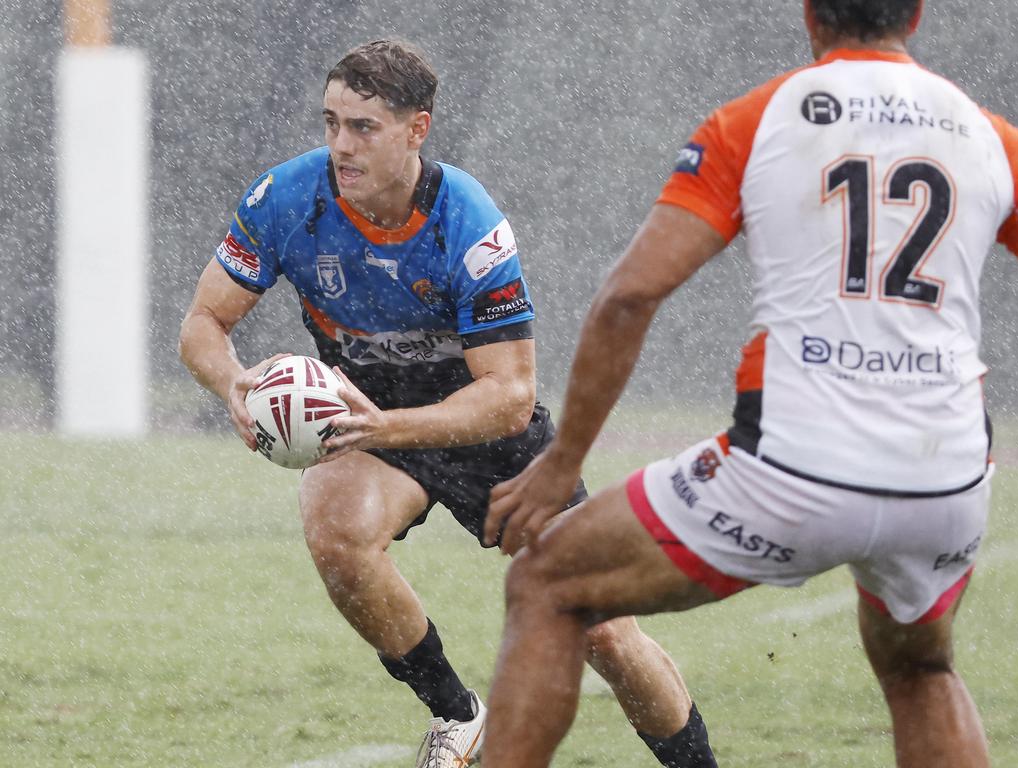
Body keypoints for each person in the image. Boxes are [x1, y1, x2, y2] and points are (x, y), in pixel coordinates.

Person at [482, 1, 1018, 765]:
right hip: (945, 474)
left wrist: (563, 463)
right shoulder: (990, 136)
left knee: (549, 585)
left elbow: (628, 296)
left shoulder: (758, 119)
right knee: (922, 667)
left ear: (809, 13)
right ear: (918, 13)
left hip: (795, 467)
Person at [179, 39, 719, 768]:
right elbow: (203, 325)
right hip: (369, 417)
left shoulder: (469, 222)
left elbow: (508, 396)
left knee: (604, 633)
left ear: (417, 129)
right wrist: (233, 384)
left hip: (485, 431)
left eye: (363, 127)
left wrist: (387, 425)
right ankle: (458, 714)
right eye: (332, 122)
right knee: (335, 533)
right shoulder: (285, 199)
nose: (341, 144)